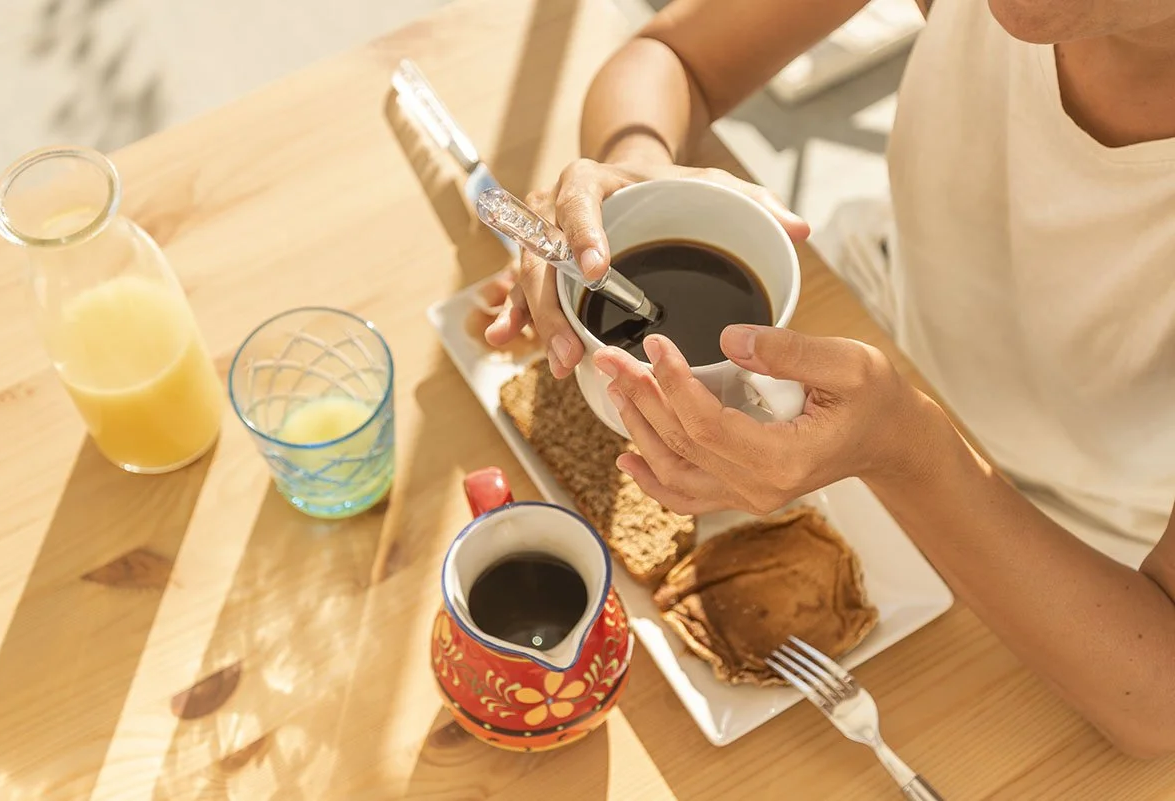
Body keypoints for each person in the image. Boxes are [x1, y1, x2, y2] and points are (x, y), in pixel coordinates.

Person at [482, 0, 1175, 758]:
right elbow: (672, 59)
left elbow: (1158, 706)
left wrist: (906, 451)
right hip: (875, 323)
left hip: (1079, 562)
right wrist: (639, 172)